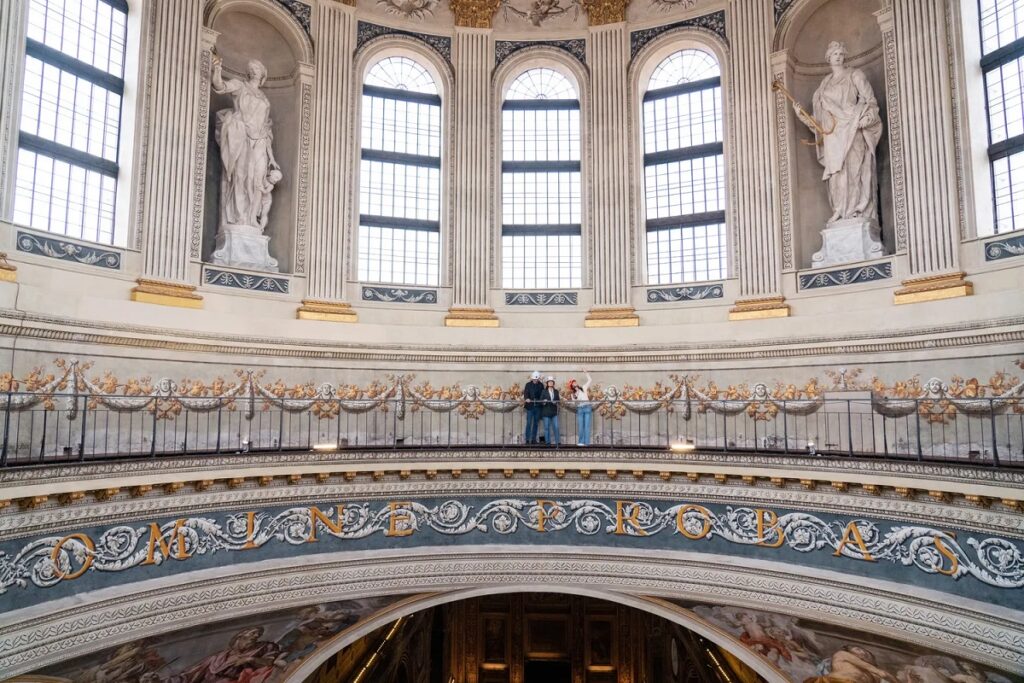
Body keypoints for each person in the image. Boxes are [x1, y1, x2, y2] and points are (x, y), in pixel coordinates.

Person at [795, 40, 882, 225]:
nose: (839, 56)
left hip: (852, 128)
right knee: (836, 175)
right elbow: (821, 123)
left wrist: (866, 119)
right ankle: (840, 211)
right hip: (833, 136)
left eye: (842, 53)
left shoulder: (855, 75)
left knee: (854, 170)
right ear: (828, 57)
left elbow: (871, 102)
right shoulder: (823, 86)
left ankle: (857, 211)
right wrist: (803, 116)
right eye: (835, 53)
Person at [211, 54, 282, 231]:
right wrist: (218, 69)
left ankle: (252, 219)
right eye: (251, 68)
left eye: (257, 68)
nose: (253, 70)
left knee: (257, 179)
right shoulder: (240, 86)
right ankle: (239, 217)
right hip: (241, 136)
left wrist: (271, 158)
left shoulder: (264, 98)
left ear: (263, 74)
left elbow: (266, 127)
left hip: (260, 141)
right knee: (241, 176)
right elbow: (220, 86)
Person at [568, 370, 593, 446]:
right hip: (580, 409)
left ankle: (587, 442)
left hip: (587, 407)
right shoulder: (573, 395)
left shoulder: (584, 388)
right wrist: (576, 398)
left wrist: (586, 373)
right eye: (573, 383)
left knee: (587, 426)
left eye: (575, 382)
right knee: (581, 426)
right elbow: (574, 404)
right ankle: (581, 441)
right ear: (572, 386)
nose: (575, 384)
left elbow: (590, 380)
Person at [523, 371, 544, 445]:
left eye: (536, 379)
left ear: (538, 379)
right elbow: (525, 393)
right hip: (530, 407)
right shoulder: (528, 385)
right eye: (534, 379)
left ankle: (533, 439)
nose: (535, 380)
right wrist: (527, 398)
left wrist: (541, 400)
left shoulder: (541, 385)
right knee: (529, 423)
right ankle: (527, 439)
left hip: (538, 406)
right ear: (532, 379)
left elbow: (542, 394)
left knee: (535, 423)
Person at [540, 376, 560, 447]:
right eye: (549, 382)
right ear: (547, 383)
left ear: (553, 383)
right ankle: (547, 443)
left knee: (556, 427)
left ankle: (557, 442)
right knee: (546, 428)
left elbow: (558, 401)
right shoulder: (543, 391)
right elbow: (541, 401)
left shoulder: (556, 391)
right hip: (546, 412)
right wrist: (544, 402)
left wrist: (556, 402)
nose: (550, 383)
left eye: (552, 382)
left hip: (554, 412)